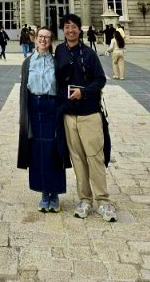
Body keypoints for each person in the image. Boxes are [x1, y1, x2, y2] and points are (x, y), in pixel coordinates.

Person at [55, 13, 117, 223]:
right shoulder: (60, 50)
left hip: (89, 113)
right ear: (63, 30)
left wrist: (84, 92)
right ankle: (85, 199)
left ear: (79, 30)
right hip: (69, 115)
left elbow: (100, 80)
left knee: (94, 157)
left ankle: (103, 200)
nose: (70, 30)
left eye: (73, 27)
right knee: (78, 159)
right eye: (66, 27)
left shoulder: (89, 54)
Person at [17, 26, 70, 213]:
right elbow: (24, 89)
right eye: (40, 36)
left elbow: (64, 88)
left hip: (52, 107)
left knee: (54, 149)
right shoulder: (27, 62)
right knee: (37, 149)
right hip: (34, 106)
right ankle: (43, 193)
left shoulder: (57, 63)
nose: (43, 40)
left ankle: (54, 193)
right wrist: (22, 115)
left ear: (52, 41)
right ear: (35, 39)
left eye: (47, 37)